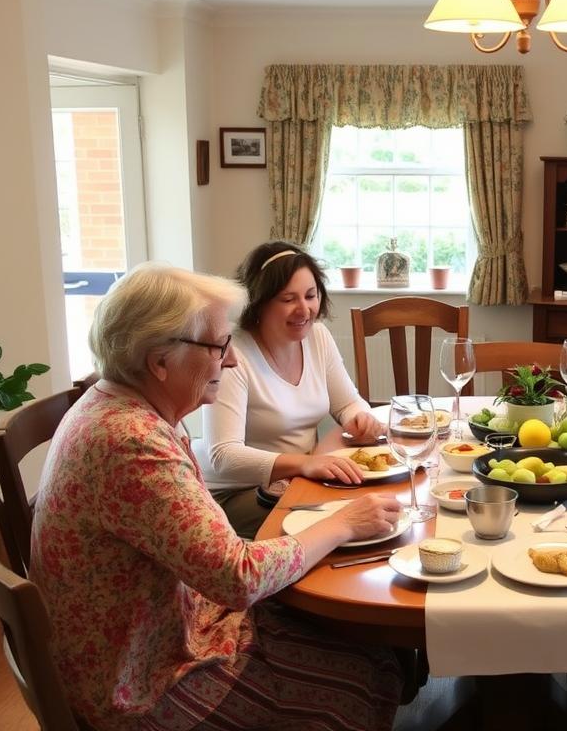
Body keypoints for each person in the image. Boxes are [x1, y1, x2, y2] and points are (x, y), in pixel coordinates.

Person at [30, 263, 404, 731]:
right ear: (159, 360)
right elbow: (239, 577)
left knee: (370, 646)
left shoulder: (126, 406)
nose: (230, 360)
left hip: (165, 630)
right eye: (219, 346)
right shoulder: (130, 442)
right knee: (359, 678)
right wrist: (345, 522)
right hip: (139, 684)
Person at [197, 241, 383, 539]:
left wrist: (360, 417)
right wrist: (307, 464)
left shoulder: (317, 337)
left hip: (297, 477)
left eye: (311, 296)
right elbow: (224, 455)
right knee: (348, 519)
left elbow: (347, 402)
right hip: (233, 494)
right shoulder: (234, 353)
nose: (305, 310)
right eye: (288, 299)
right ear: (258, 303)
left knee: (371, 508)